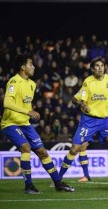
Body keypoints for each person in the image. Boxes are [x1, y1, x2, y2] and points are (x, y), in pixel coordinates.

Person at [0, 54, 74, 194]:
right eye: (30, 64)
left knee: (42, 152)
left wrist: (30, 113)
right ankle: (28, 185)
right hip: (10, 123)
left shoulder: (32, 84)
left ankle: (57, 182)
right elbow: (7, 103)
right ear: (23, 67)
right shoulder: (13, 82)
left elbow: (25, 103)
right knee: (26, 147)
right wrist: (28, 112)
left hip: (25, 124)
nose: (33, 67)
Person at [58, 58, 108, 186]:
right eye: (97, 66)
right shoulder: (88, 82)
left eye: (102, 65)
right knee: (75, 149)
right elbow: (79, 99)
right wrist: (82, 104)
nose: (100, 68)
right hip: (89, 121)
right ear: (92, 69)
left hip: (105, 121)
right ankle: (57, 178)